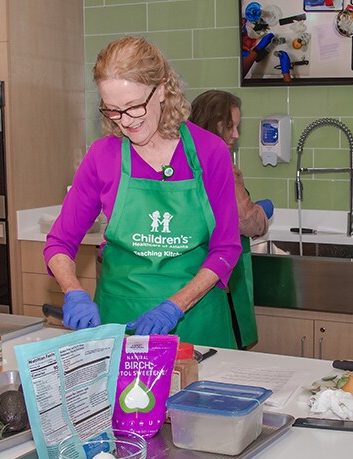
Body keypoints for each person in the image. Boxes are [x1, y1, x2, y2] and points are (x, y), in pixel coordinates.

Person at [44, 36, 242, 349]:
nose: (126, 122)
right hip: (120, 322)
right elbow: (59, 242)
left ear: (162, 88)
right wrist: (74, 291)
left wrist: (175, 305)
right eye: (113, 110)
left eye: (134, 106)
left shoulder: (209, 152)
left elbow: (226, 250)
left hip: (196, 324)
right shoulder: (102, 156)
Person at [190, 90, 274, 349]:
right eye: (231, 126)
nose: (235, 135)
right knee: (227, 346)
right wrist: (262, 212)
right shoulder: (223, 163)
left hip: (190, 271)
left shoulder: (181, 157)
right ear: (215, 124)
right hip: (222, 271)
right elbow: (246, 220)